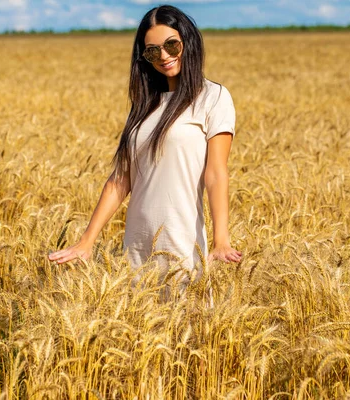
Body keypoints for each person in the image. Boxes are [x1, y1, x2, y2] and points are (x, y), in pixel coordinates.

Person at [48, 4, 242, 274]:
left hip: (184, 244)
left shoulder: (213, 97)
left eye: (172, 45)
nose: (164, 56)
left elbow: (216, 172)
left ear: (188, 41)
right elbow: (120, 178)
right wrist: (86, 242)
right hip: (136, 247)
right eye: (153, 51)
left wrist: (221, 240)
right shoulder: (144, 105)